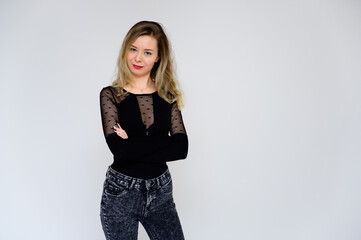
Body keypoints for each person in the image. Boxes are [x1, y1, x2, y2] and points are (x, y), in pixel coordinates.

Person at [99, 21, 188, 240]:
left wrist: (132, 142)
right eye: (133, 49)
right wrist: (163, 140)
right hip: (121, 193)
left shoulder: (168, 97)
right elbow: (120, 151)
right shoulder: (111, 95)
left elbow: (181, 149)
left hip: (161, 192)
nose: (138, 58)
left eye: (147, 52)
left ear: (158, 57)